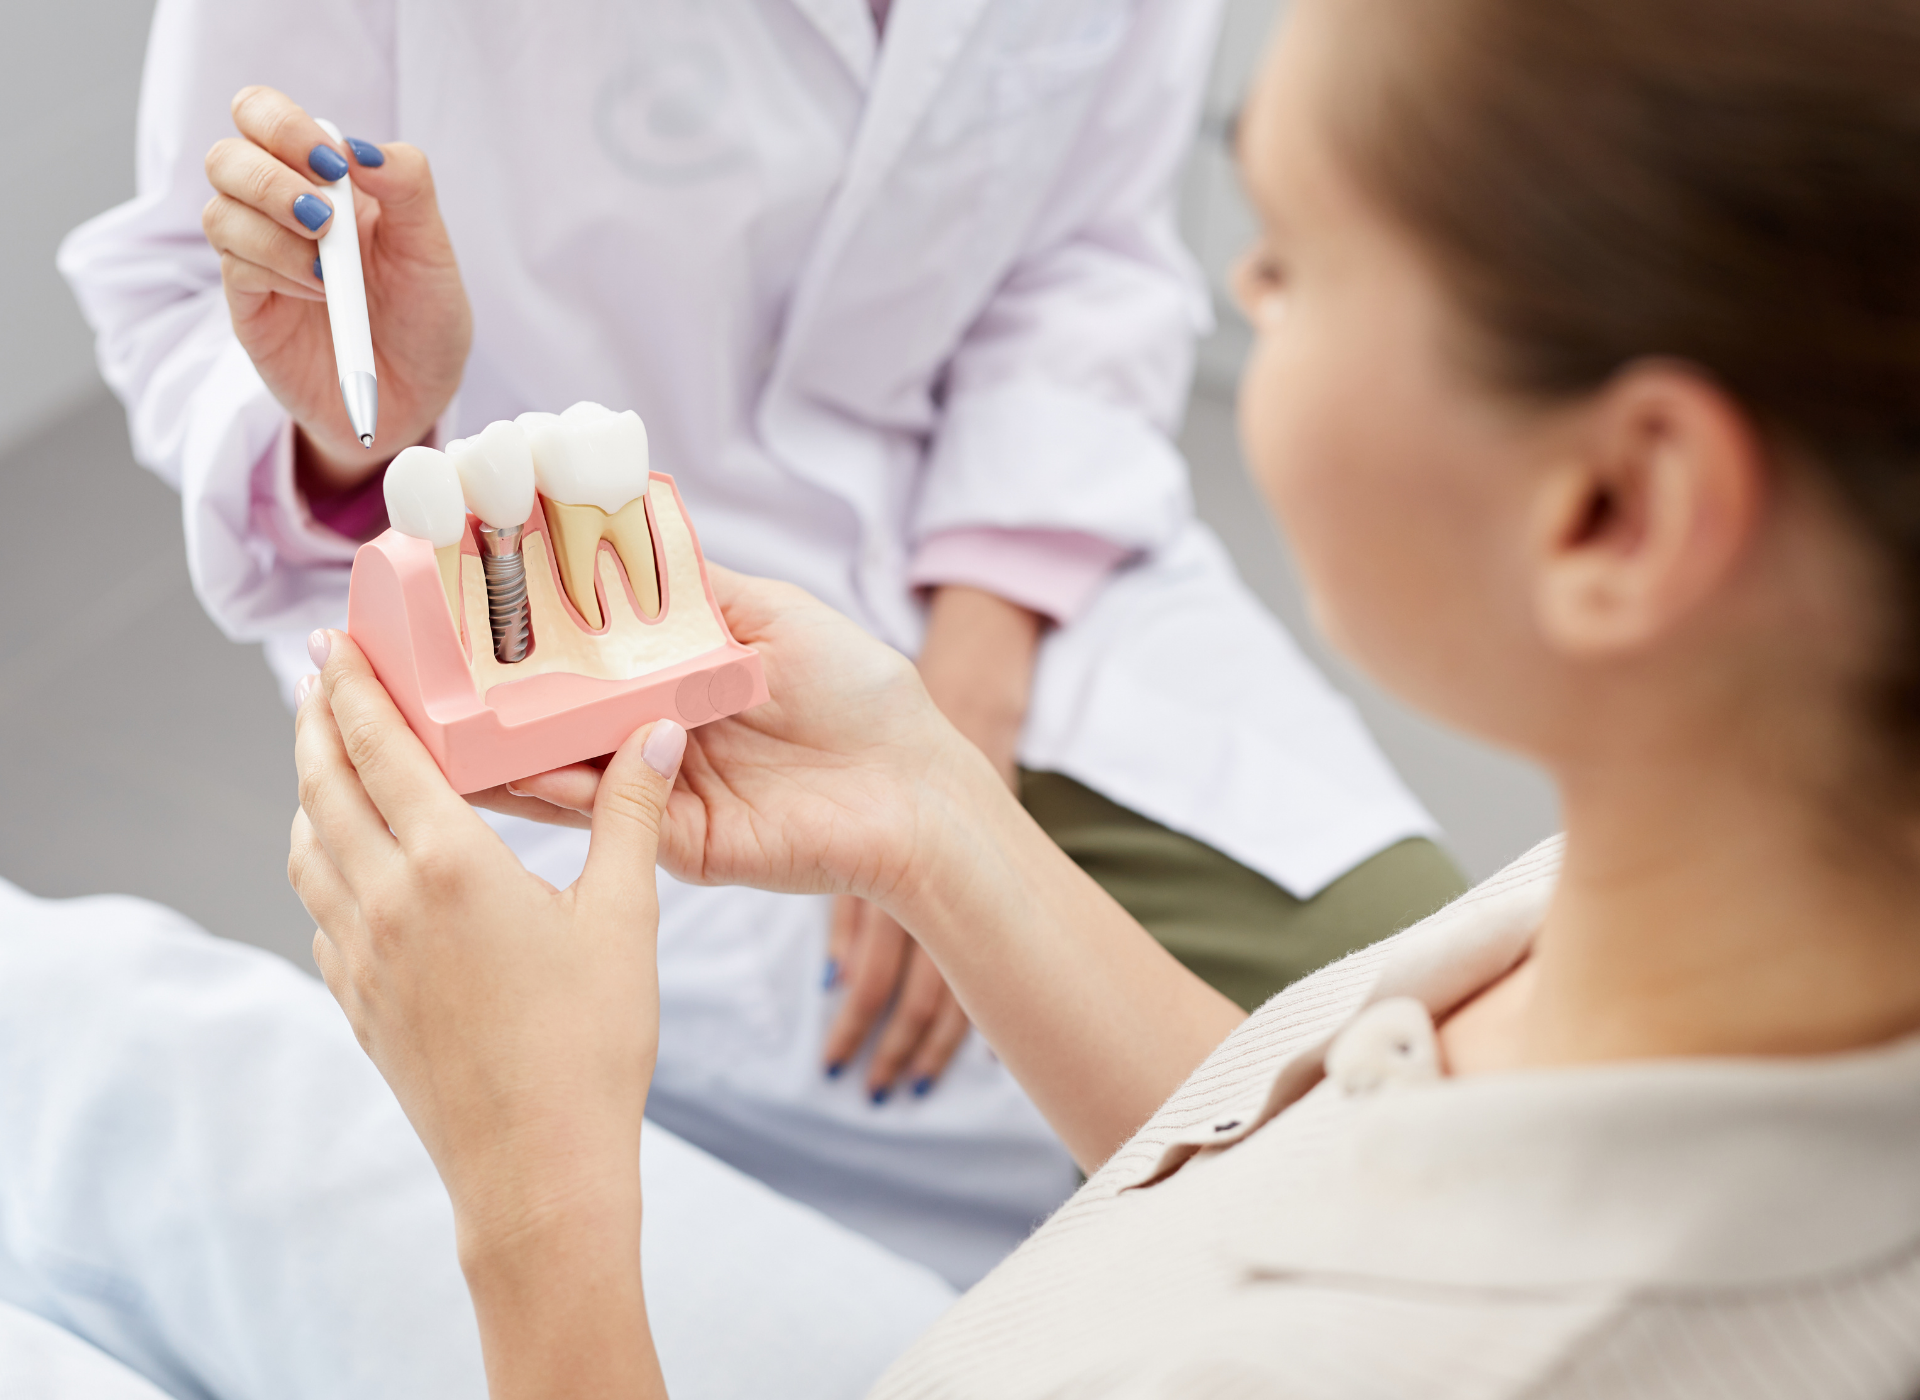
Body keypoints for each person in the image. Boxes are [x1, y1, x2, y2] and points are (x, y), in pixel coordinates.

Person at [273, 0, 1920, 1390]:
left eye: (1289, 264)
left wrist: (537, 1200)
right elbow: (1346, 1177)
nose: (1240, 300)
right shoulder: (1706, 926)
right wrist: (932, 818)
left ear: (1613, 512)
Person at [57, 0, 1462, 1284]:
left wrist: (975, 663)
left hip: (1023, 564)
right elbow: (195, 296)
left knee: (1433, 1061)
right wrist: (359, 419)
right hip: (560, 624)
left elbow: (1087, 252)